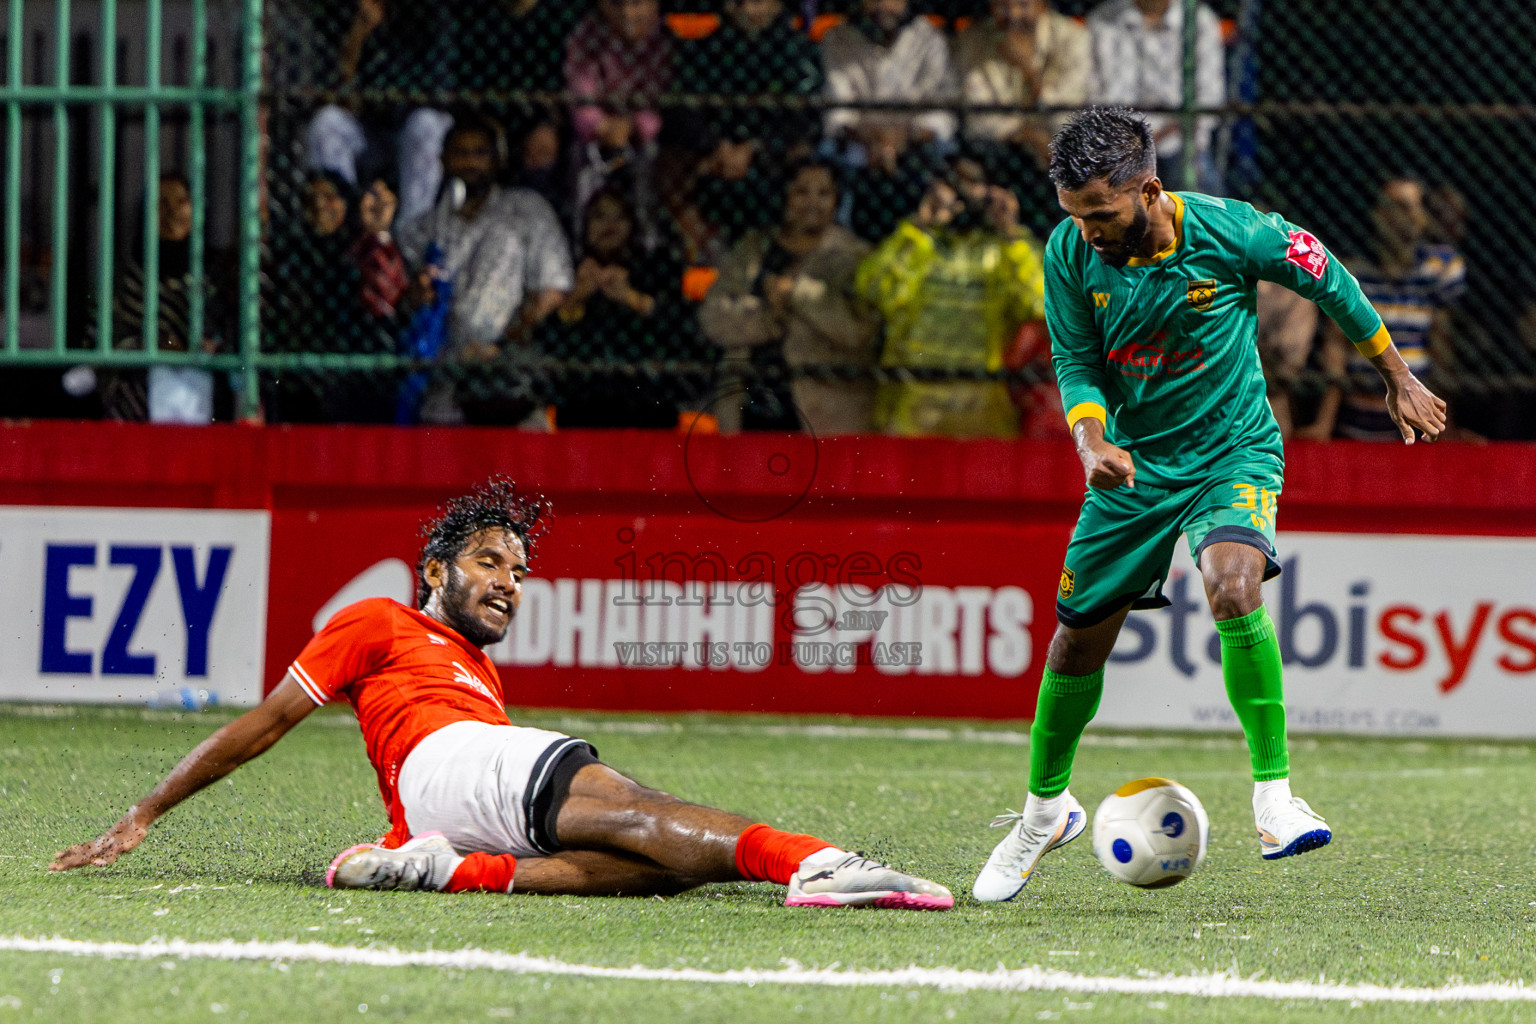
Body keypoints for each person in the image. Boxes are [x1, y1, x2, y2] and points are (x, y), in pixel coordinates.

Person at [50, 478, 954, 911]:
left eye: (519, 571)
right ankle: (810, 862)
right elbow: (264, 723)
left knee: (661, 869)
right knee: (633, 807)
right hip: (440, 765)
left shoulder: (477, 671)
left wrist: (424, 839)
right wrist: (144, 813)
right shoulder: (377, 621)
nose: (510, 583)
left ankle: (457, 870)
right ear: (435, 569)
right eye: (489, 562)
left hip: (439, 804)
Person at [970, 108, 1447, 904]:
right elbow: (1075, 359)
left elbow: (1326, 273)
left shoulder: (1233, 232)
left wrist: (1395, 373)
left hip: (1234, 450)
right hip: (1132, 468)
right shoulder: (1067, 252)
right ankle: (1043, 812)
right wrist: (1090, 443)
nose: (1087, 232)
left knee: (1233, 584)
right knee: (1075, 644)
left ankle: (1274, 798)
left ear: (1149, 189)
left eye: (1101, 215)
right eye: (1075, 216)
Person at [856, 152, 1046, 438]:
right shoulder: (918, 242)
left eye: (974, 182)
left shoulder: (1006, 250)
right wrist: (920, 226)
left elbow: (1042, 305)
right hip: (911, 415)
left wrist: (1010, 233)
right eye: (954, 182)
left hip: (983, 419)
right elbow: (873, 291)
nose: (964, 191)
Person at [700, 158, 878, 434]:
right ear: (784, 196)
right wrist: (770, 315)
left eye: (823, 193)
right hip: (750, 405)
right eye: (801, 192)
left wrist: (797, 297)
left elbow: (859, 333)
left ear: (837, 200)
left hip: (826, 412)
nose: (812, 203)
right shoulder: (753, 248)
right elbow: (713, 318)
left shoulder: (855, 258)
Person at [1299, 176, 1465, 441]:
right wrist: (1324, 423)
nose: (1409, 216)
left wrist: (1447, 426)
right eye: (1400, 206)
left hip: (1417, 415)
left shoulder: (1438, 269)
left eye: (1415, 207)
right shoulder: (1353, 275)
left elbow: (1442, 350)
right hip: (1359, 415)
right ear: (1380, 215)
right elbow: (1336, 350)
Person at [540, 187, 703, 428]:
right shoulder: (567, 272)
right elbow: (543, 340)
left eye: (619, 217)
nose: (610, 225)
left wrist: (632, 298)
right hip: (582, 405)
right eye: (600, 216)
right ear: (585, 227)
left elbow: (686, 333)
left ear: (633, 225)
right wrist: (574, 299)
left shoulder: (658, 269)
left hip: (646, 401)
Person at [94, 172, 227, 424]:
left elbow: (228, 334)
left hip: (204, 390)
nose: (172, 212)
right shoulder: (127, 274)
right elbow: (104, 339)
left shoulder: (215, 273)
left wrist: (205, 348)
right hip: (137, 392)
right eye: (161, 203)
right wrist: (156, 345)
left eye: (182, 202)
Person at [950, 0, 1090, 193]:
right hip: (999, 152)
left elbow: (1064, 108)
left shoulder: (1073, 38)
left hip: (1060, 148)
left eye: (1023, 4)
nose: (1013, 14)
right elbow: (979, 120)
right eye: (1002, 6)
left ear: (1043, 5)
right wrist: (1028, 134)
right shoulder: (972, 40)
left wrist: (1027, 70)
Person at [1086, 0, 1225, 193]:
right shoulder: (1105, 20)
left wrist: (1157, 136)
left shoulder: (1200, 21)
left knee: (1199, 187)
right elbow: (1100, 97)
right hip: (1123, 144)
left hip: (1180, 140)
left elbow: (1209, 99)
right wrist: (1135, 140)